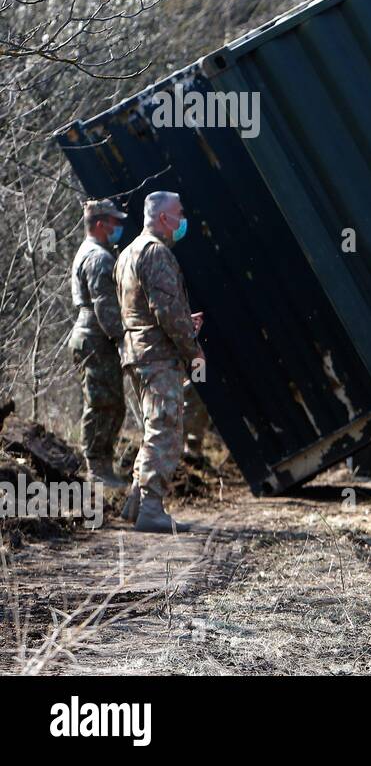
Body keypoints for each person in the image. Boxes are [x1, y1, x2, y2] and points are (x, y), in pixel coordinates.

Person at [115, 191, 204, 533]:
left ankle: (135, 504)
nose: (183, 220)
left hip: (136, 352)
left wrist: (183, 319)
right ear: (164, 218)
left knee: (154, 425)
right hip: (157, 356)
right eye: (179, 214)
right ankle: (151, 509)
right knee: (165, 426)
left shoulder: (127, 255)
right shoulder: (156, 253)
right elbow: (165, 311)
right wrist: (193, 347)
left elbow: (142, 309)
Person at [68, 198, 129, 488]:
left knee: (112, 402)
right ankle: (97, 469)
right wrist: (121, 339)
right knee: (103, 402)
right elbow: (105, 306)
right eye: (115, 222)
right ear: (101, 224)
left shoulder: (94, 252)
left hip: (93, 336)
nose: (119, 226)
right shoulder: (99, 258)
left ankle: (103, 465)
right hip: (96, 338)